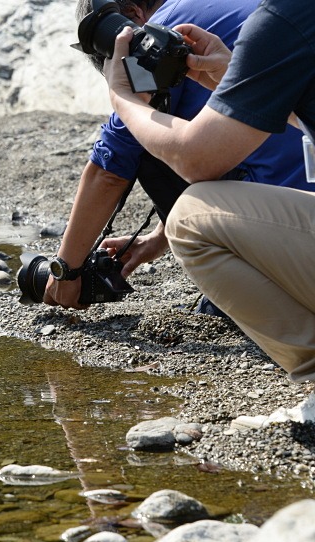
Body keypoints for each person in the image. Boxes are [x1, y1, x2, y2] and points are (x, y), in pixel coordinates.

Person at [44, 0, 315, 312]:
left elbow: (110, 170)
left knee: (156, 158)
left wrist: (66, 270)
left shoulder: (161, 33)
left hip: (293, 229)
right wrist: (157, 239)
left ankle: (264, 306)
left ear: (130, 18)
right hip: (302, 202)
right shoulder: (229, 13)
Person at [100, 0, 315, 381]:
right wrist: (232, 74)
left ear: (133, 14)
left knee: (190, 217)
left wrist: (122, 98)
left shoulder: (286, 16)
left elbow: (194, 160)